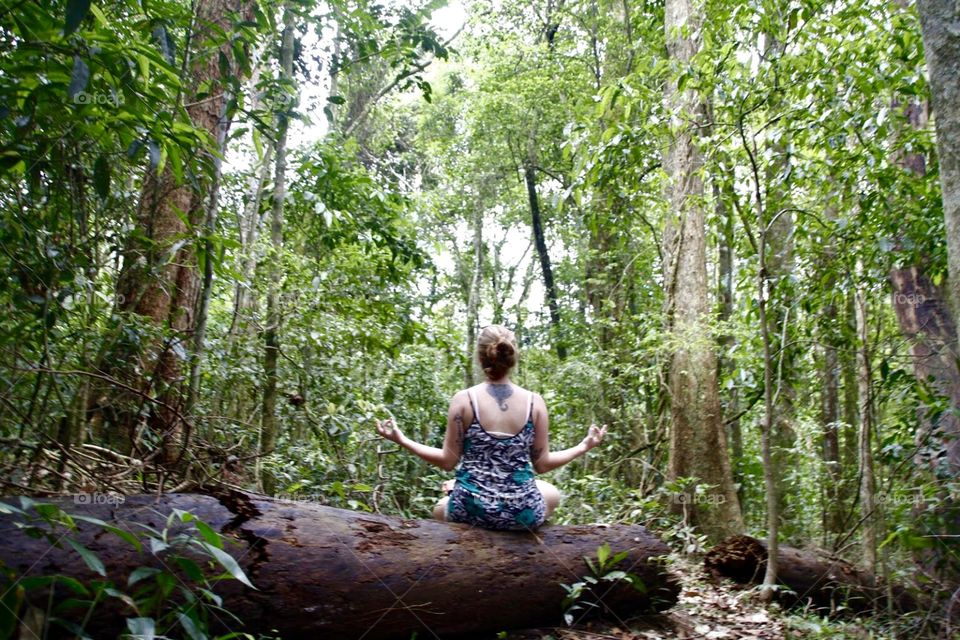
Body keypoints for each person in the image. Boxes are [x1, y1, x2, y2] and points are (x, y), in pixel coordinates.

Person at [374, 324, 607, 530]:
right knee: (551, 493)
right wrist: (583, 446)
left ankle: (466, 503)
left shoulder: (464, 400)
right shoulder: (535, 402)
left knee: (440, 507)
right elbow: (542, 464)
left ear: (480, 357)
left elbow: (447, 461)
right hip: (522, 513)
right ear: (513, 357)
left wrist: (402, 440)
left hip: (470, 510)